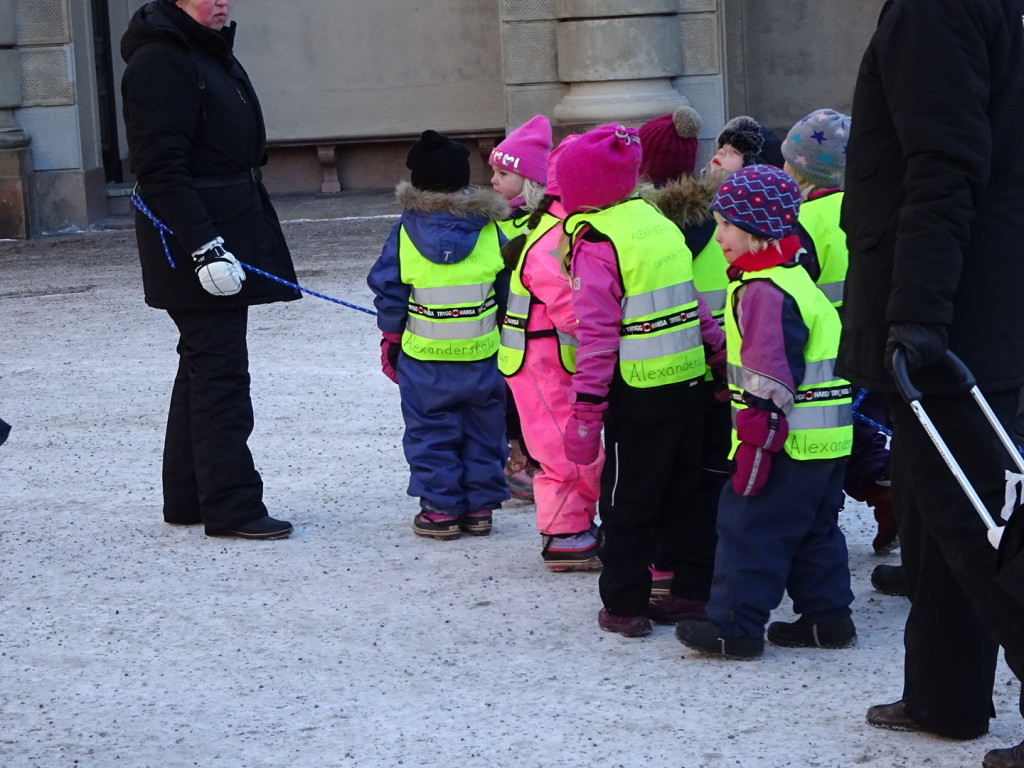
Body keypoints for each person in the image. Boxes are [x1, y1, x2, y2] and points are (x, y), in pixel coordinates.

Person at [839, 1, 1024, 764]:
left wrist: (917, 315)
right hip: (970, 300)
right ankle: (944, 694)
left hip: (949, 314)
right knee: (933, 508)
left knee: (982, 524)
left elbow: (942, 164)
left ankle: (949, 693)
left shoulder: (935, 7)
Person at [120, 0, 299, 540]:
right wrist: (204, 246)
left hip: (227, 224)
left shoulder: (208, 51)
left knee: (201, 363)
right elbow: (160, 169)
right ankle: (232, 506)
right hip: (195, 239)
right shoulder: (160, 62)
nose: (221, 2)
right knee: (220, 371)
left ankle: (190, 496)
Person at [675, 165, 856, 660]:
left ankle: (735, 627)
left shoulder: (763, 290)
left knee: (747, 528)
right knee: (813, 530)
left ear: (758, 230)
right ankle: (828, 619)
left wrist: (755, 443)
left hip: (784, 442)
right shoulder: (795, 279)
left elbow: (770, 377)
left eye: (727, 226)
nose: (719, 237)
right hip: (826, 440)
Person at [555, 123, 725, 638]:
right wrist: (718, 359)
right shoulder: (656, 222)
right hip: (689, 383)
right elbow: (693, 304)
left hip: (639, 395)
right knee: (686, 496)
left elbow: (599, 336)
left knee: (626, 502)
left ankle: (625, 604)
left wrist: (587, 410)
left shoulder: (597, 242)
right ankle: (693, 592)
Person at [368, 129, 510, 541]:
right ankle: (480, 507)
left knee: (430, 432)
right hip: (484, 353)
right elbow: (507, 287)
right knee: (485, 429)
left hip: (425, 357)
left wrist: (391, 338)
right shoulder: (489, 229)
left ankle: (441, 510)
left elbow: (389, 289)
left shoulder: (405, 232)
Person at [781, 108, 898, 555]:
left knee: (836, 441)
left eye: (788, 163)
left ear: (804, 171)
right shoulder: (866, 208)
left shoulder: (800, 223)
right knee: (875, 428)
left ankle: (857, 512)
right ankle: (891, 496)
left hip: (824, 352)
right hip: (873, 339)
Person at [498, 135, 603, 572]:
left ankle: (569, 527)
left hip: (548, 359)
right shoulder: (551, 239)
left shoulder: (557, 228)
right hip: (541, 363)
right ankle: (564, 534)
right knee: (565, 450)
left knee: (567, 447)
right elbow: (574, 313)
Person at [489, 115, 553, 502]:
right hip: (504, 332)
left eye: (502, 172)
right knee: (509, 399)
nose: (493, 180)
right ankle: (517, 456)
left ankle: (531, 460)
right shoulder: (497, 222)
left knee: (532, 402)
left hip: (537, 333)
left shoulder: (540, 224)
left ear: (529, 180)